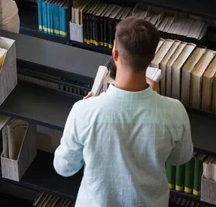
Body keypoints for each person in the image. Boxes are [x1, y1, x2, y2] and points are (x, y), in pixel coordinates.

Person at [53, 17, 193, 207]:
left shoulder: (84, 111)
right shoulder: (174, 111)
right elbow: (180, 157)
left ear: (115, 54)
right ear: (152, 58)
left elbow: (64, 168)